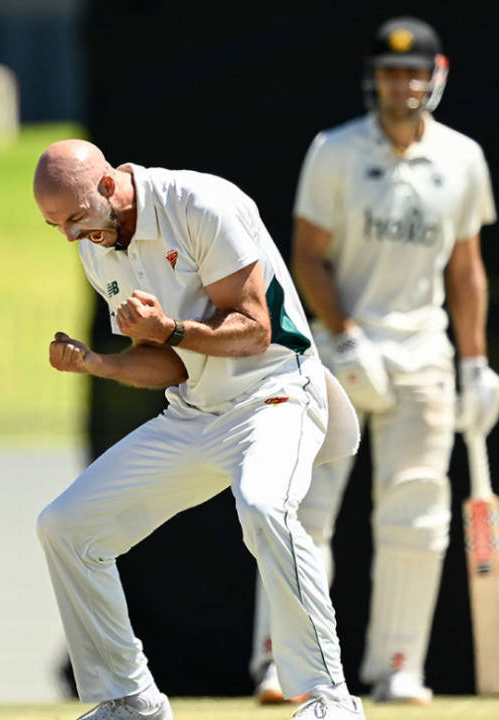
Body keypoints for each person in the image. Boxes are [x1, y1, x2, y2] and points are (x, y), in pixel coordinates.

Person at [33, 139, 366, 720]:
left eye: (75, 217)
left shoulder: (199, 202)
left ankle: (330, 699)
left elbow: (255, 330)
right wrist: (98, 363)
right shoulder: (95, 246)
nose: (69, 236)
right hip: (196, 411)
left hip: (275, 395)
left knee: (263, 506)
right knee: (65, 526)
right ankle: (130, 699)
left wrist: (170, 329)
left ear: (108, 185)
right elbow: (168, 363)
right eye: (54, 225)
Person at [250, 17, 499, 705]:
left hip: (423, 356)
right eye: (391, 74)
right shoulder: (333, 152)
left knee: (416, 512)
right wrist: (346, 334)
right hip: (336, 357)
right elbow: (306, 256)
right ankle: (286, 663)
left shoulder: (463, 158)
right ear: (374, 81)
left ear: (436, 77)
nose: (402, 87)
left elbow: (467, 269)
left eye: (413, 74)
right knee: (303, 508)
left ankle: (398, 666)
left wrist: (475, 365)